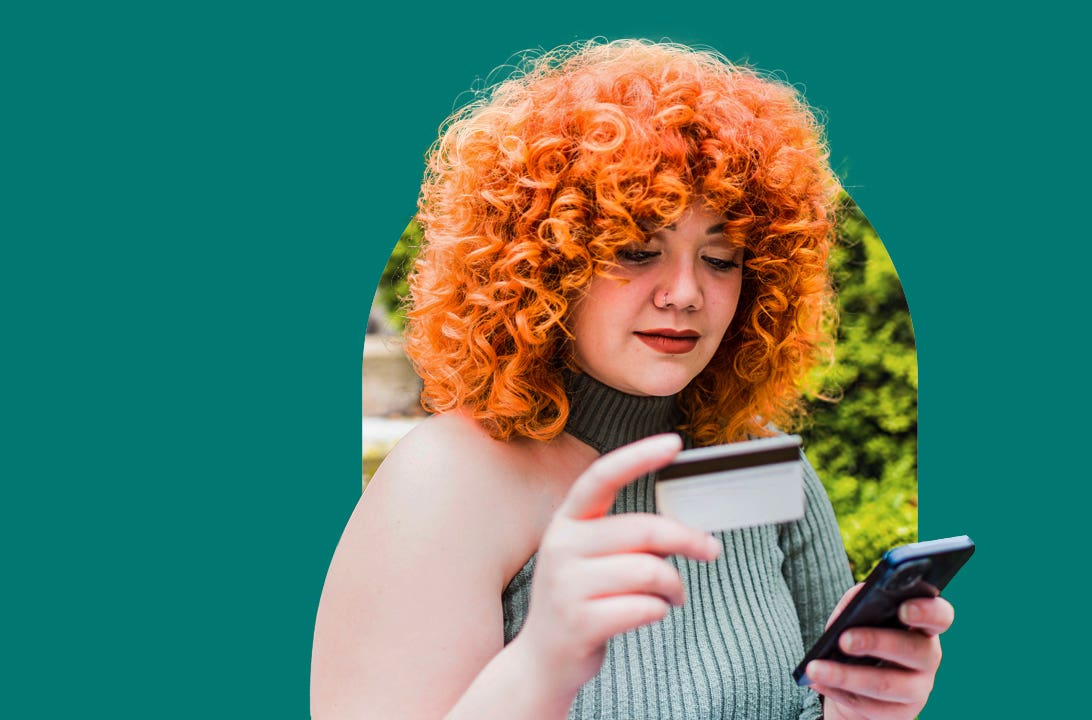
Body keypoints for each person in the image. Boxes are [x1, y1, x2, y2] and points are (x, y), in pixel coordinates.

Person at [312, 40, 955, 720]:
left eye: (722, 258)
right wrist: (540, 667)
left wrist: (860, 711)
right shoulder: (446, 479)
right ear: (544, 263)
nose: (684, 293)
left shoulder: (765, 470)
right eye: (635, 250)